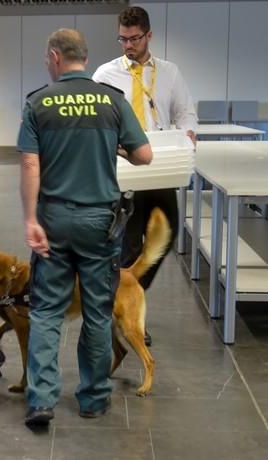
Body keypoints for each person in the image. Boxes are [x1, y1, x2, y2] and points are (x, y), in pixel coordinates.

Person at [18, 29, 152, 427]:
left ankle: (41, 400)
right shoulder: (111, 101)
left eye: (47, 58)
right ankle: (93, 399)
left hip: (55, 220)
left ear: (56, 57)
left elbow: (29, 166)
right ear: (85, 59)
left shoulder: (38, 102)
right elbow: (144, 155)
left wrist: (29, 220)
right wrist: (114, 144)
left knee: (45, 312)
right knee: (96, 312)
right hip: (101, 223)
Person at [92, 5, 199, 346]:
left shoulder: (169, 73)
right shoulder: (105, 75)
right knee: (128, 244)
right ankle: (122, 317)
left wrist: (188, 134)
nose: (128, 45)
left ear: (149, 35)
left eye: (135, 38)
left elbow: (186, 112)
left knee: (164, 238)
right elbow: (94, 120)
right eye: (122, 38)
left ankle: (128, 298)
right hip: (124, 170)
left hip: (162, 165)